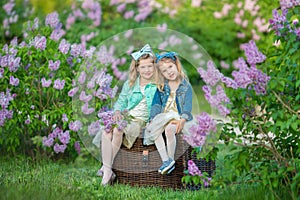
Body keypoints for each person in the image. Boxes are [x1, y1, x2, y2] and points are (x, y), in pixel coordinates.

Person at [96, 44, 158, 186]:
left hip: (140, 119)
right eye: (143, 67)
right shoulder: (130, 84)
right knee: (107, 130)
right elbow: (121, 101)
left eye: (150, 66)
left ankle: (106, 172)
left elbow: (159, 105)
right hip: (127, 116)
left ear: (154, 66)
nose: (147, 70)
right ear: (136, 68)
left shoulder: (157, 84)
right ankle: (108, 170)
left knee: (118, 130)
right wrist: (117, 111)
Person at [143, 51, 194, 175]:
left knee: (170, 130)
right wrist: (152, 119)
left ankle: (170, 159)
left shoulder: (185, 86)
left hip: (178, 116)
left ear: (176, 65)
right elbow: (156, 105)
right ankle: (166, 160)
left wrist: (183, 119)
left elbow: (187, 106)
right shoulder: (161, 87)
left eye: (170, 67)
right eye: (164, 71)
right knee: (154, 129)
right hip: (164, 117)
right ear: (161, 74)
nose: (169, 72)